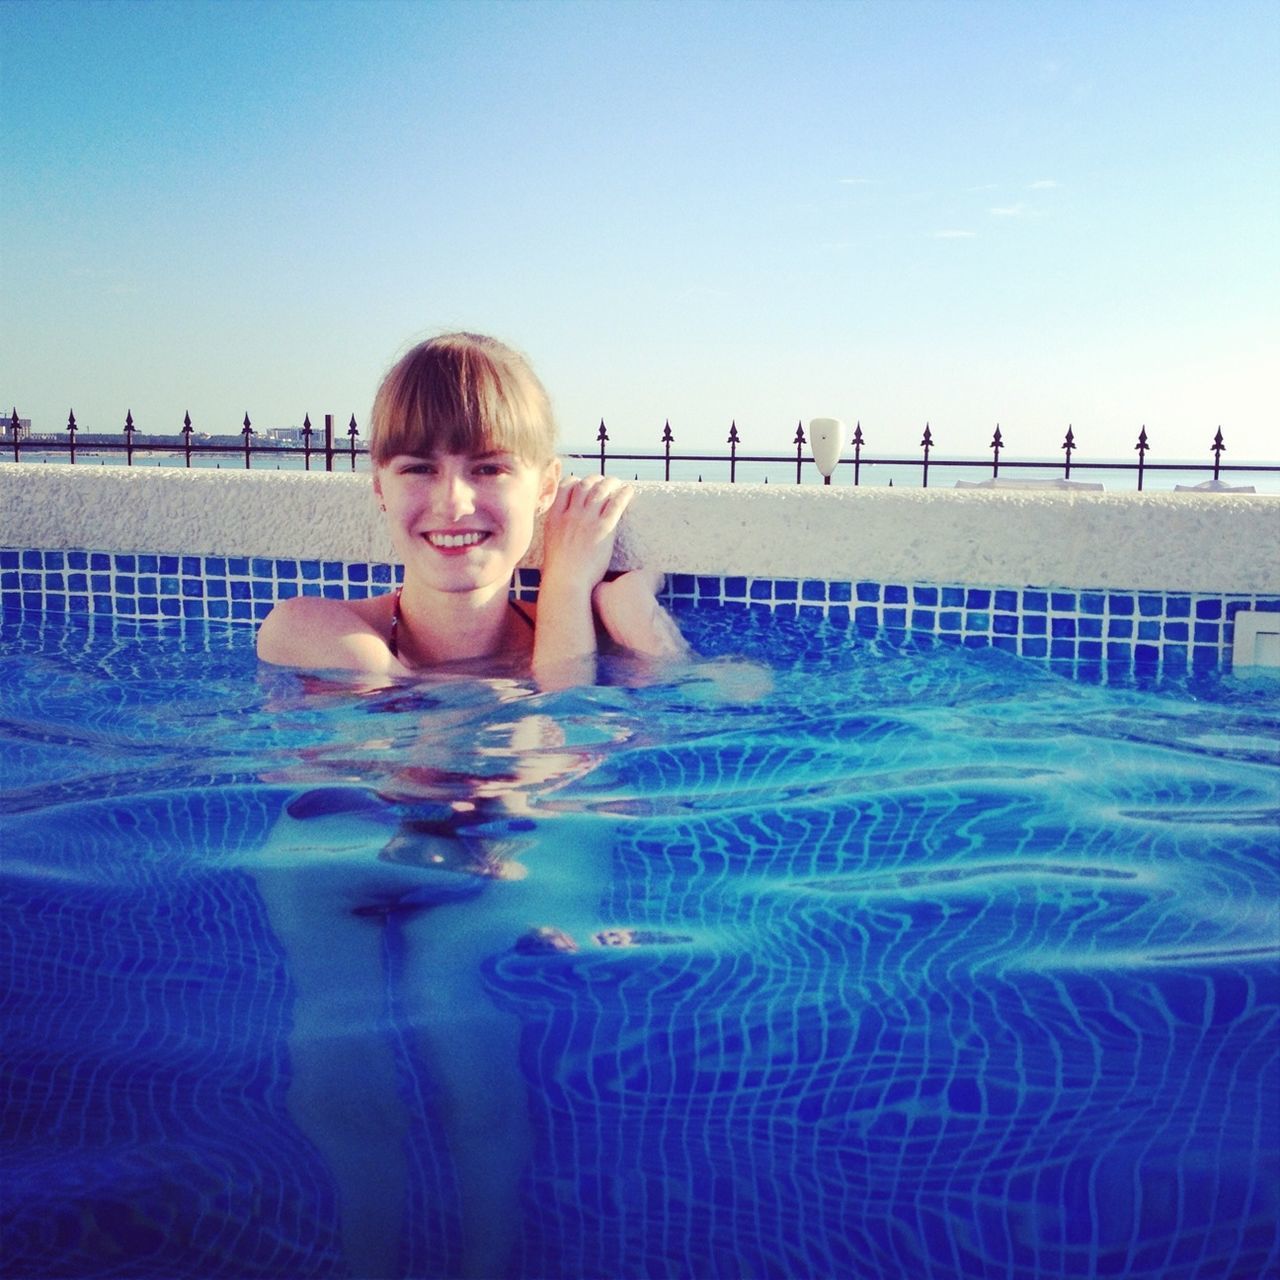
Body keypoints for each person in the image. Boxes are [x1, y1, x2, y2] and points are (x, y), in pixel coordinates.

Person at [257, 331, 686, 684]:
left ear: (546, 487)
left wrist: (625, 607)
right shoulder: (311, 632)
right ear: (380, 488)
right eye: (420, 469)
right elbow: (527, 754)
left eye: (488, 469)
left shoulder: (599, 635)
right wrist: (565, 588)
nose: (453, 504)